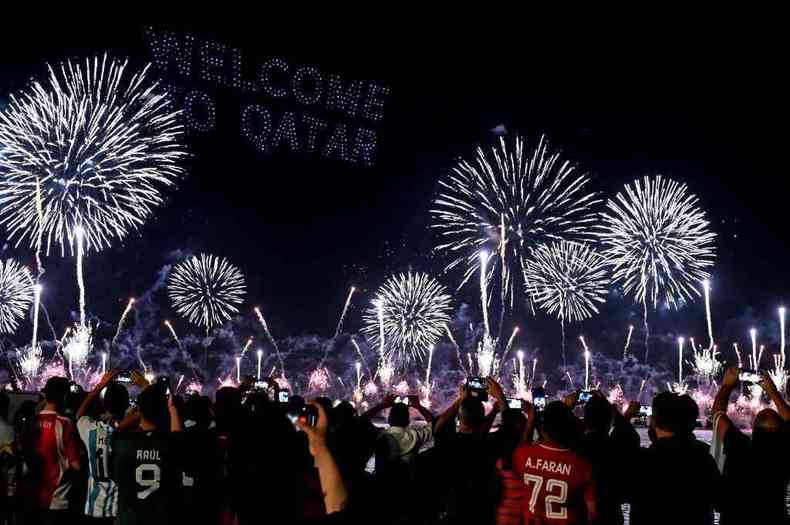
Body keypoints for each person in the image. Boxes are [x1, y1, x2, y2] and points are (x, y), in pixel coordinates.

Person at [625, 392, 721, 525]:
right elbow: (720, 501)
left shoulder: (642, 461)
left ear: (653, 420)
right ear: (692, 423)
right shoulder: (703, 457)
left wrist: (625, 419)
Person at [710, 367, 789, 524]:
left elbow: (718, 414)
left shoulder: (739, 445)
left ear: (754, 428)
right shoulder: (785, 452)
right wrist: (772, 391)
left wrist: (727, 385)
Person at [512, 401, 597, 525]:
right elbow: (592, 514)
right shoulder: (583, 466)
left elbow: (517, 453)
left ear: (543, 428)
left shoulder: (522, 455)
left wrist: (530, 422)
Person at [111, 384, 184, 525]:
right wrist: (172, 410)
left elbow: (118, 430)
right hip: (161, 518)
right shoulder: (170, 444)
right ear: (164, 411)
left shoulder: (123, 443)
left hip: (129, 518)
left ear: (140, 410)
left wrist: (140, 411)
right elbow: (177, 436)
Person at [432, 380, 500, 524]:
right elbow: (507, 427)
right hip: (482, 510)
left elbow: (439, 425)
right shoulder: (487, 444)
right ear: (482, 420)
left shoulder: (449, 442)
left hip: (453, 508)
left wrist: (460, 400)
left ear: (459, 417)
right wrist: (498, 402)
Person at [20, 376, 82, 524]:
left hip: (33, 497)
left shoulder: (30, 423)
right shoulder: (65, 423)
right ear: (65, 396)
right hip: (58, 498)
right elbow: (76, 465)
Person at [574, 391, 640, 525]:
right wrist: (622, 416)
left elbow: (557, 428)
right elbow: (627, 438)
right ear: (610, 421)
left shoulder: (575, 446)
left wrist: (567, 406)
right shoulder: (615, 446)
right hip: (611, 512)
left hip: (580, 512)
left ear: (585, 420)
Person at [74, 370, 131, 523]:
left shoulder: (90, 430)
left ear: (104, 403)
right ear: (126, 404)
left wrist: (100, 386)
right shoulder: (129, 434)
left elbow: (79, 414)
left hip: (94, 507)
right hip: (119, 507)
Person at [491, 400, 535, 525]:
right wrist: (531, 418)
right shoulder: (528, 458)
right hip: (524, 517)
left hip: (503, 517)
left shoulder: (500, 461)